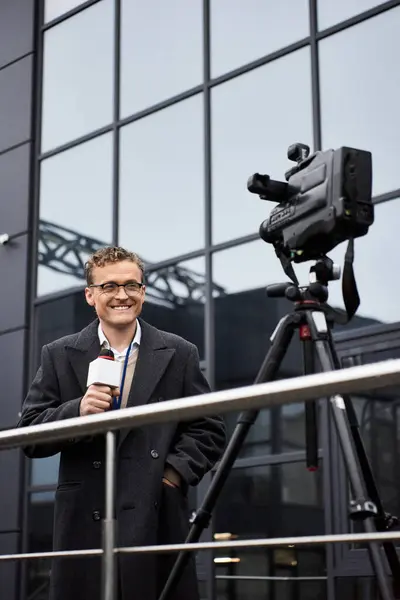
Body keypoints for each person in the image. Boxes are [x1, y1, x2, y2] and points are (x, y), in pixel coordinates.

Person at [18, 246, 226, 600]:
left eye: (132, 285)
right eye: (109, 286)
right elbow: (29, 434)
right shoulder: (58, 353)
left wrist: (171, 474)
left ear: (143, 292)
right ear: (90, 295)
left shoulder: (179, 352)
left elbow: (209, 427)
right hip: (84, 517)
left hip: (153, 512)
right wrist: (76, 411)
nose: (122, 295)